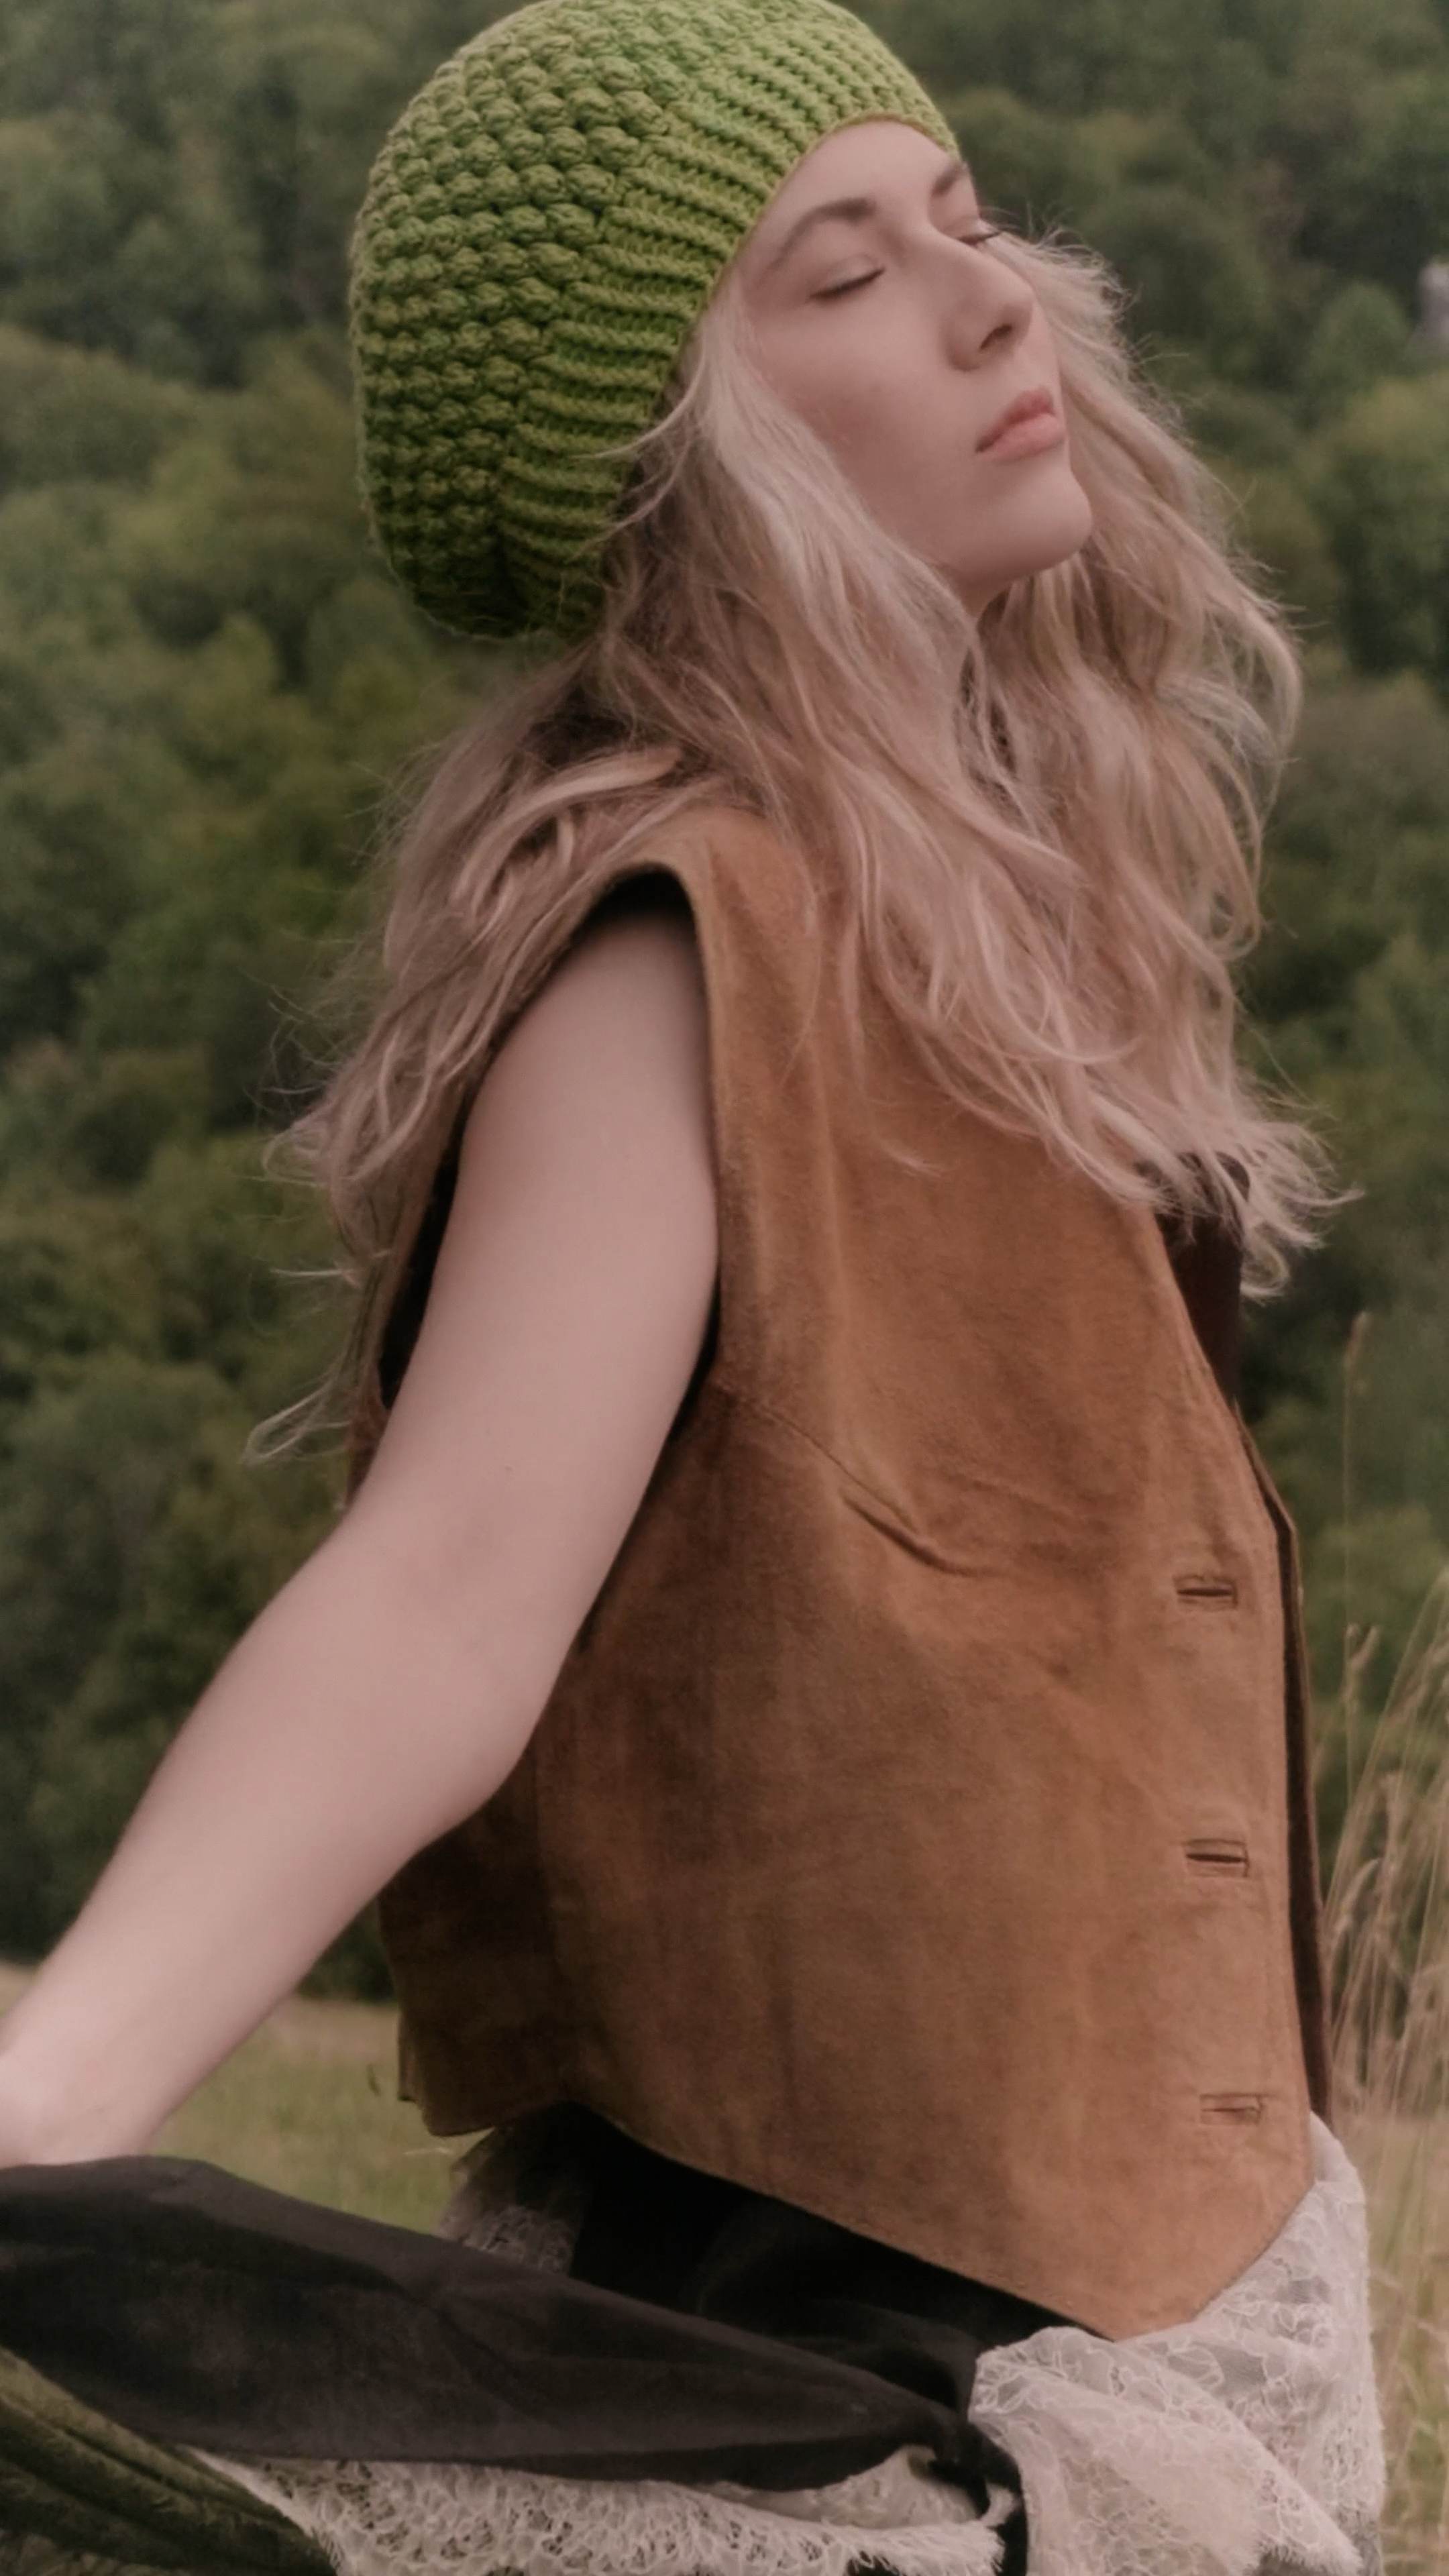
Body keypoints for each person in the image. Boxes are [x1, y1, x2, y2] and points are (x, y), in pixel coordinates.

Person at [0, 2, 1386, 2571]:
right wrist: (45, 2098)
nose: (997, 299)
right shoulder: (683, 940)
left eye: (966, 219)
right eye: (843, 274)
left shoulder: (1017, 943)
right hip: (838, 2353)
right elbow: (444, 1588)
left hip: (1137, 2314)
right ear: (671, 469)